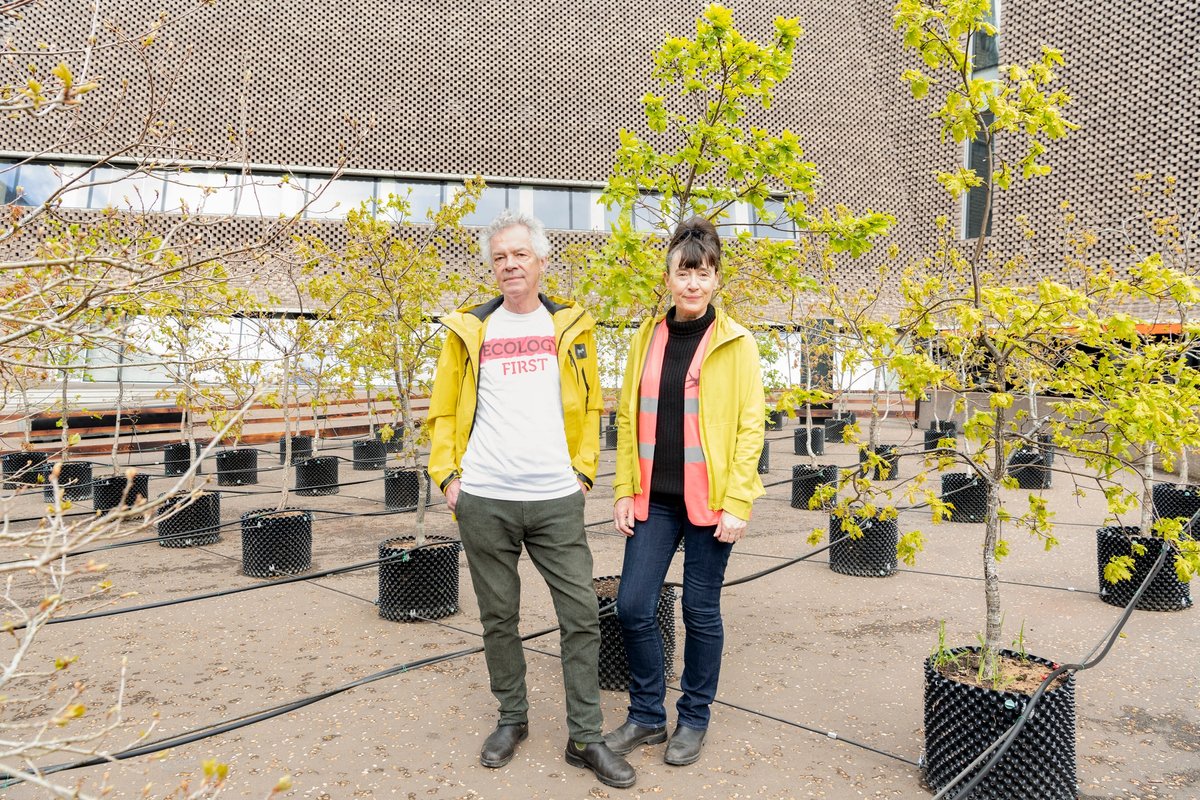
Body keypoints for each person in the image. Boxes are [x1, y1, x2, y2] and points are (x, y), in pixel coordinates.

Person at [427, 210, 636, 789]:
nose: (509, 264)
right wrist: (448, 476)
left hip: (555, 498)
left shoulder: (571, 326)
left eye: (520, 254)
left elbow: (593, 404)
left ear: (542, 262)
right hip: (485, 496)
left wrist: (583, 474)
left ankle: (586, 737)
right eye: (499, 257)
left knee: (580, 617)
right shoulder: (469, 329)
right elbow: (444, 409)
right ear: (491, 269)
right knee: (498, 617)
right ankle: (511, 719)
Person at [604, 215, 765, 766]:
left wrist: (739, 502)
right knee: (632, 604)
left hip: (711, 501)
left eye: (704, 273)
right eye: (683, 272)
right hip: (655, 497)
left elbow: (750, 428)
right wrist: (625, 489)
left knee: (701, 610)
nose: (693, 283)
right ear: (669, 276)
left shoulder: (737, 344)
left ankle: (693, 718)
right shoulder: (646, 337)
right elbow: (627, 418)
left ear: (717, 278)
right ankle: (648, 715)